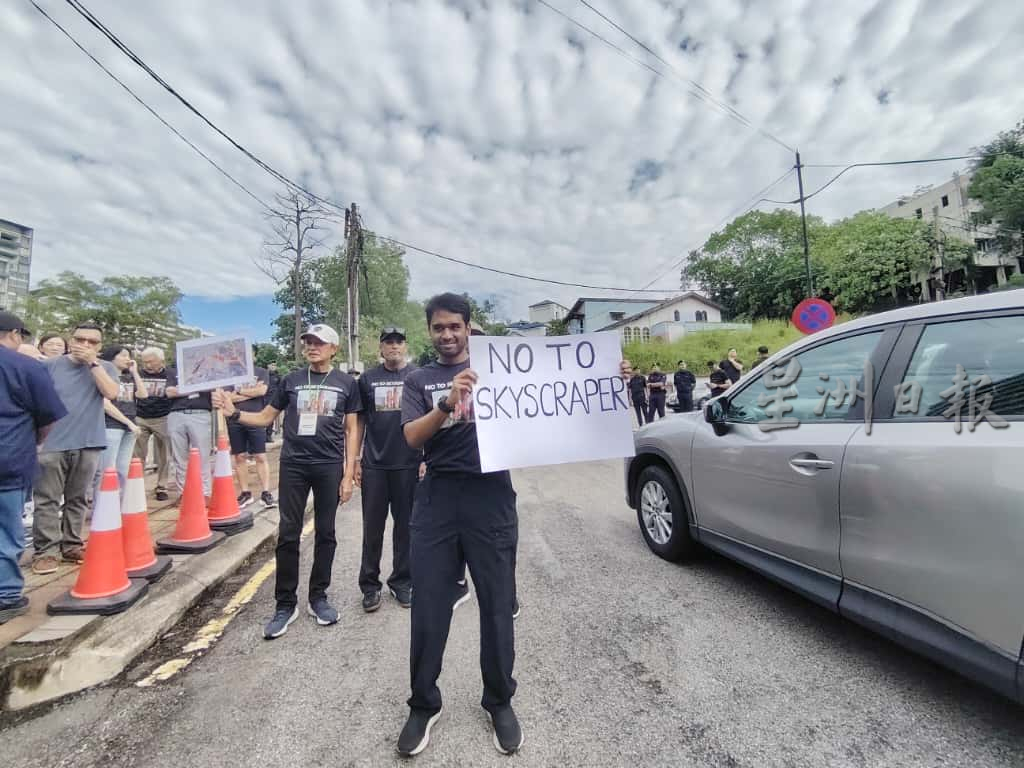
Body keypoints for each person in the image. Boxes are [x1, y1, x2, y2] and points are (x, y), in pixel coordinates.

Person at [397, 293, 523, 757]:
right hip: (438, 498)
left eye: (455, 326)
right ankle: (423, 704)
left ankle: (499, 700)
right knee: (429, 606)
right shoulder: (418, 379)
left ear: (469, 328)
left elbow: (551, 403)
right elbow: (412, 437)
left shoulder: (500, 370)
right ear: (429, 331)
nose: (447, 334)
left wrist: (606, 380)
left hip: (491, 496)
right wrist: (448, 403)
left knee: (497, 604)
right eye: (438, 327)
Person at [212, 324, 361, 639]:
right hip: (294, 464)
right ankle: (285, 603)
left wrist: (348, 474)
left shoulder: (346, 383)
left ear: (334, 348)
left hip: (328, 465)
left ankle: (318, 597)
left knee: (326, 533)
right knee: (288, 534)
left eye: (319, 342)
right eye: (308, 342)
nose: (312, 347)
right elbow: (265, 418)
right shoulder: (291, 380)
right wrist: (233, 413)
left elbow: (352, 430)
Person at [32, 322, 120, 575]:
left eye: (92, 342)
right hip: (51, 442)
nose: (85, 345)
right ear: (71, 341)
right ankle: (46, 551)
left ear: (100, 346)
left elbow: (111, 393)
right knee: (47, 499)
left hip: (89, 441)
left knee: (78, 498)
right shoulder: (49, 366)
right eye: (80, 339)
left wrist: (93, 363)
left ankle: (71, 544)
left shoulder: (106, 368)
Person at [0, 312, 67, 623]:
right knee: (6, 528)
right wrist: (35, 441)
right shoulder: (26, 366)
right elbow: (48, 414)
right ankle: (6, 596)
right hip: (9, 456)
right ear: (14, 334)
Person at [355, 327, 421, 612]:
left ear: (405, 347)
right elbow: (359, 421)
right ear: (381, 348)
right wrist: (355, 459)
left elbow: (429, 418)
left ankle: (402, 581)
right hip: (375, 465)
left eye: (398, 342)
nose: (394, 347)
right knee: (372, 529)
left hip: (409, 464)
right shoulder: (367, 379)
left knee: (406, 528)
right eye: (388, 343)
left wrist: (425, 458)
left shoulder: (417, 376)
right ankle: (370, 586)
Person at [97, 345, 148, 496]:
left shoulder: (128, 378)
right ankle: (103, 501)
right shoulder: (104, 376)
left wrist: (135, 372)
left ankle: (119, 501)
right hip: (111, 425)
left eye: (129, 356)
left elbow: (143, 394)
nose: (127, 359)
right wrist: (128, 422)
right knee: (107, 468)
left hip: (130, 426)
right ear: (112, 357)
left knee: (123, 467)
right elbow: (105, 404)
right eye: (123, 355)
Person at [227, 366, 275, 509]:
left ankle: (266, 493)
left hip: (256, 418)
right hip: (234, 418)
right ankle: (245, 493)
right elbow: (228, 397)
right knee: (239, 456)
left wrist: (239, 391)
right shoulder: (230, 373)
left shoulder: (260, 372)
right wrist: (251, 392)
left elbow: (262, 391)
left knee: (260, 455)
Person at [165, 363, 214, 501]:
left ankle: (205, 493)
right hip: (176, 414)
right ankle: (184, 493)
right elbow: (169, 392)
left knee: (203, 455)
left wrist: (181, 389)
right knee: (179, 457)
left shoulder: (207, 369)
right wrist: (195, 387)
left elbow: (210, 387)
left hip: (200, 413)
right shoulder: (173, 371)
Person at [134, 348, 173, 502]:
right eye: (144, 362)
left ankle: (162, 486)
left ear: (161, 361)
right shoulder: (138, 374)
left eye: (151, 361)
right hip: (140, 416)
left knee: (164, 455)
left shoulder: (170, 374)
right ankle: (136, 487)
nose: (147, 365)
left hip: (163, 416)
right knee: (137, 455)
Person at [265, 362, 281, 442]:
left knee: (271, 418)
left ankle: (268, 436)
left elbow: (280, 387)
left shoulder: (277, 376)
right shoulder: (264, 375)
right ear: (268, 366)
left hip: (273, 399)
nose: (273, 366)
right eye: (272, 364)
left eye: (275, 365)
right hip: (263, 398)